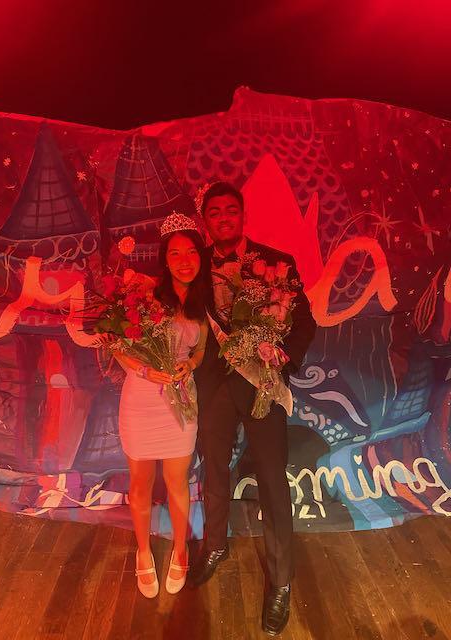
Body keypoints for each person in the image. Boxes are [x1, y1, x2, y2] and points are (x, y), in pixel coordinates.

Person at [191, 182, 316, 636]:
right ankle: (215, 544)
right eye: (214, 212)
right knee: (214, 469)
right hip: (215, 386)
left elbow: (304, 321)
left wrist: (284, 356)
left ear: (243, 214)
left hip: (262, 383)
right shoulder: (195, 266)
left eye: (231, 210)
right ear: (206, 219)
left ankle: (280, 580)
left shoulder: (276, 263)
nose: (223, 217)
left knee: (271, 479)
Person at [111, 212, 209, 598]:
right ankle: (143, 551)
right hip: (141, 399)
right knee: (140, 482)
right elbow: (117, 345)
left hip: (181, 401)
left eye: (191, 252)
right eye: (175, 253)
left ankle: (180, 550)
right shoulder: (146, 295)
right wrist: (145, 371)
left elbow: (200, 350)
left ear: (200, 256)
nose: (184, 260)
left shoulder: (203, 302)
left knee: (176, 481)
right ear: (165, 260)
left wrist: (191, 365)